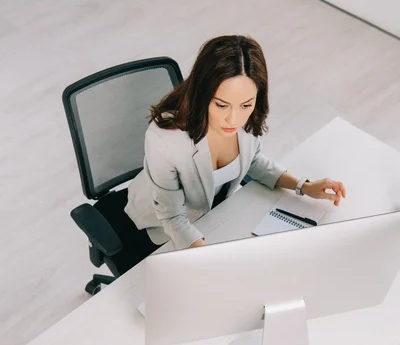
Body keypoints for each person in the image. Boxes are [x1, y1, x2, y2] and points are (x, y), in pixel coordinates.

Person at [124, 34, 346, 257]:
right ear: (202, 94)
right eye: (221, 105)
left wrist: (304, 186)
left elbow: (253, 161)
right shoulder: (165, 138)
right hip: (158, 229)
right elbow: (172, 218)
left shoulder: (247, 119)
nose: (234, 120)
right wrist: (214, 257)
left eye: (246, 104)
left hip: (214, 217)